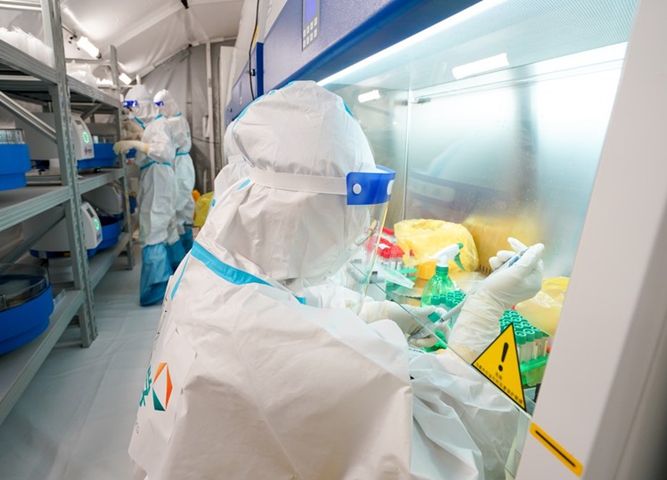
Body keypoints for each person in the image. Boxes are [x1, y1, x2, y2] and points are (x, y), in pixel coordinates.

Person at [129, 81, 544, 479]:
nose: (361, 226)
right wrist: (483, 317)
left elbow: (285, 300)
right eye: (353, 210)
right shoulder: (286, 351)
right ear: (308, 209)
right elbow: (454, 450)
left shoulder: (209, 262)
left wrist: (373, 311)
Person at [114, 85, 176, 306]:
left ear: (141, 106)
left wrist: (134, 143)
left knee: (152, 229)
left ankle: (156, 287)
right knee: (160, 227)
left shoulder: (159, 125)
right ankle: (170, 276)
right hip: (157, 177)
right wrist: (138, 136)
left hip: (158, 178)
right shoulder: (154, 125)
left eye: (133, 108)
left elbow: (164, 151)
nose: (131, 113)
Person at [154, 89, 195, 267]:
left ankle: (179, 258)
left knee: (177, 208)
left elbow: (165, 147)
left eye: (160, 105)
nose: (158, 110)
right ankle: (187, 253)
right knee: (184, 207)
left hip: (179, 165)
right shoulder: (178, 119)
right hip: (184, 164)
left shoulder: (173, 122)